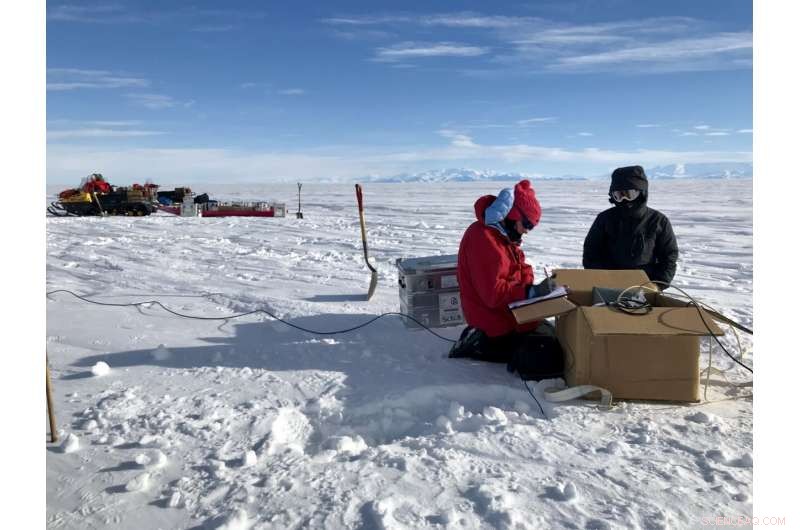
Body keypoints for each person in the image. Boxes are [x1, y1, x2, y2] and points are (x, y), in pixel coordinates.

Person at [449, 180, 559, 369]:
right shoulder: (483, 239)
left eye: (530, 226)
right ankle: (478, 343)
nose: (526, 230)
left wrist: (536, 291)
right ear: (512, 215)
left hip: (509, 313)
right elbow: (494, 294)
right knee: (546, 352)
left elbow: (519, 273)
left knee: (552, 335)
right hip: (494, 322)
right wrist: (530, 292)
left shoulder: (504, 237)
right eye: (526, 224)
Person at [582, 165, 678, 286]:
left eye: (629, 194)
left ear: (641, 192)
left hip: (645, 286)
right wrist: (601, 279)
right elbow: (591, 252)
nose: (624, 200)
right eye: (619, 195)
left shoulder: (658, 221)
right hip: (608, 285)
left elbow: (669, 257)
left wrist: (658, 285)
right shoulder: (605, 219)